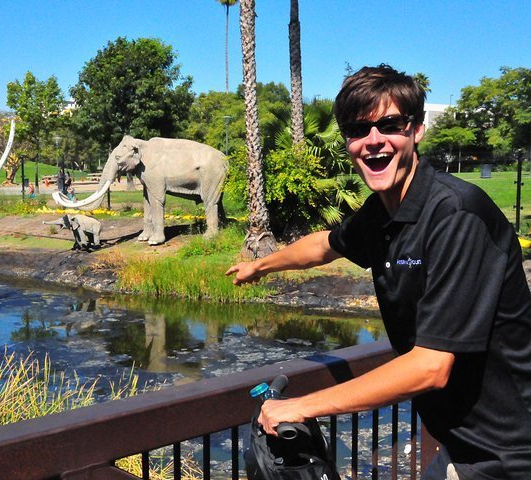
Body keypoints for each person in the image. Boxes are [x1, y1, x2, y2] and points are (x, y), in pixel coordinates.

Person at [226, 64, 531, 479]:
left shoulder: (456, 215)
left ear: (416, 130)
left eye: (389, 124)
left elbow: (430, 365)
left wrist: (301, 406)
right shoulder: (384, 212)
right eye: (357, 129)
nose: (373, 141)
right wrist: (260, 265)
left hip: (510, 452)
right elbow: (325, 245)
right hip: (460, 443)